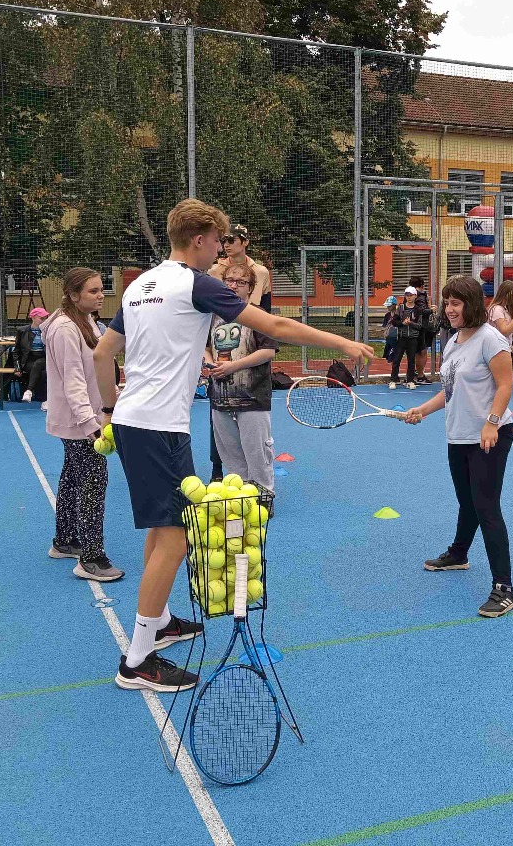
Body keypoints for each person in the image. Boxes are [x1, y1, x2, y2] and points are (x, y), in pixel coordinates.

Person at [94, 198, 372, 693]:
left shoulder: (139, 286)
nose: (221, 252)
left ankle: (159, 623)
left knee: (162, 528)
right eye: (218, 243)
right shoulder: (196, 283)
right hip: (159, 426)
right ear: (199, 239)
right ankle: (136, 661)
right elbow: (275, 326)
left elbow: (102, 354)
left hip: (136, 421)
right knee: (177, 537)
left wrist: (111, 412)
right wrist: (342, 343)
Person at [402, 275, 513, 619]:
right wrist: (423, 409)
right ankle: (459, 554)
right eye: (447, 303)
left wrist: (491, 422)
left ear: (473, 304)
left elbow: (505, 384)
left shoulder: (490, 339)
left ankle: (504, 588)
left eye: (456, 303)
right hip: (458, 436)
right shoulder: (453, 341)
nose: (449, 309)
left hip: (489, 437)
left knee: (487, 507)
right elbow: (449, 389)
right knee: (467, 502)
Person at [43, 268, 124, 582]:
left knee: (72, 476)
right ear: (73, 295)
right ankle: (91, 558)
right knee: (93, 482)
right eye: (93, 291)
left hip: (85, 416)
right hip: (80, 421)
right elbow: (73, 381)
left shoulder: (87, 321)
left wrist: (114, 396)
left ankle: (65, 541)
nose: (101, 295)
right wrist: (91, 424)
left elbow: (98, 370)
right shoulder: (64, 329)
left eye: (102, 289)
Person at [206, 264, 278, 496]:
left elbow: (268, 351)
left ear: (250, 288)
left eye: (241, 282)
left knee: (257, 454)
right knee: (231, 457)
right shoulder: (212, 317)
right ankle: (241, 498)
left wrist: (233, 366)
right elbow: (204, 347)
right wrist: (209, 363)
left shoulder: (258, 315)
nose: (233, 285)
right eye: (229, 280)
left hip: (252, 398)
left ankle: (264, 497)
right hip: (220, 399)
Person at [208, 223, 271, 312]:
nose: (226, 245)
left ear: (245, 242)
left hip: (253, 318)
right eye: (224, 241)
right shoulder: (213, 271)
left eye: (231, 240)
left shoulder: (261, 272)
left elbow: (266, 308)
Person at [389, 286, 422, 390]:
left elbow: (419, 325)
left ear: (415, 296)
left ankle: (410, 380)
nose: (409, 297)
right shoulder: (401, 308)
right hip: (402, 337)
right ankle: (394, 379)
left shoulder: (418, 310)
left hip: (413, 338)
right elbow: (394, 322)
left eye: (411, 295)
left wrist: (410, 323)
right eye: (407, 295)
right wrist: (402, 323)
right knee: (397, 359)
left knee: (411, 360)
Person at [15, 307, 49, 403]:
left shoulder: (48, 330)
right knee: (41, 372)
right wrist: (17, 367)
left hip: (45, 358)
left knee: (39, 364)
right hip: (29, 359)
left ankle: (29, 390)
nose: (44, 320)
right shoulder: (22, 331)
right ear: (33, 318)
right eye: (41, 318)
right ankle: (44, 399)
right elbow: (16, 351)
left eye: (46, 318)